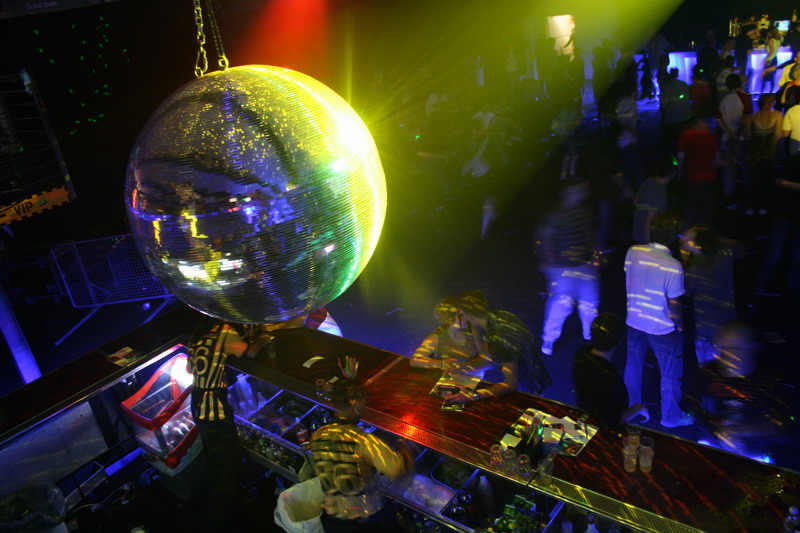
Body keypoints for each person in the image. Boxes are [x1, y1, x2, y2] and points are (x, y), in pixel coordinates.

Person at [187, 321, 271, 532]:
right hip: (213, 405)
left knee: (218, 460)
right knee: (225, 468)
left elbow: (189, 368)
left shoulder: (197, 334)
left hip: (197, 402)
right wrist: (263, 337)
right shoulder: (224, 331)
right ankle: (218, 523)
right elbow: (249, 353)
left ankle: (237, 503)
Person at [309, 377, 414, 532]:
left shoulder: (319, 434)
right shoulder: (364, 441)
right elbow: (397, 470)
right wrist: (404, 448)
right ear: (356, 403)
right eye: (364, 402)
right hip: (364, 521)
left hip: (332, 520)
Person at [624, 211, 693, 428]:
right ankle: (670, 417)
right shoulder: (673, 265)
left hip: (634, 320)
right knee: (670, 373)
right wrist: (679, 324)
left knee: (633, 366)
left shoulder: (633, 251)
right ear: (674, 236)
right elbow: (675, 302)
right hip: (662, 327)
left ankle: (634, 407)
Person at [684, 322, 788, 457]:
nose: (729, 354)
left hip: (754, 454)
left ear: (753, 347)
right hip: (713, 446)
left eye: (736, 348)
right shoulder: (707, 374)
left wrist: (739, 431)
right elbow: (692, 406)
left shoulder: (767, 381)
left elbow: (780, 425)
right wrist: (716, 434)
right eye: (724, 347)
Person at [444, 289, 551, 402]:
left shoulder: (500, 339)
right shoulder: (498, 316)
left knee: (529, 403)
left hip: (526, 382)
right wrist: (463, 368)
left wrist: (474, 395)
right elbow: (487, 360)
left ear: (467, 315)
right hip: (530, 368)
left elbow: (511, 384)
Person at [535, 181, 599, 355]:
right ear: (566, 192)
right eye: (577, 190)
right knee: (560, 305)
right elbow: (543, 237)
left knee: (589, 303)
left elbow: (590, 235)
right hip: (561, 268)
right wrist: (546, 261)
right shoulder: (555, 215)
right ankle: (549, 339)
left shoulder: (584, 211)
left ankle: (590, 337)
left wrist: (594, 257)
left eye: (582, 190)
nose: (581, 193)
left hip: (584, 265)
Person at [680, 226, 745, 366]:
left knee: (708, 368)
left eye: (688, 238)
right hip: (728, 321)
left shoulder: (694, 271)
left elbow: (684, 293)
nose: (683, 239)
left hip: (707, 327)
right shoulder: (726, 255)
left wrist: (684, 264)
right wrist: (713, 239)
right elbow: (740, 245)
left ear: (698, 246)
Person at [572, 313, 649, 429]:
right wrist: (639, 408)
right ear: (619, 342)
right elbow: (611, 421)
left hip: (584, 414)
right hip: (597, 429)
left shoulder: (581, 354)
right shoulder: (607, 378)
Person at [410, 297, 480, 371]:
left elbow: (484, 358)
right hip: (444, 376)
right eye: (465, 315)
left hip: (472, 376)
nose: (469, 319)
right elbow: (415, 360)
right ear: (452, 316)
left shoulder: (473, 331)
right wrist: (444, 364)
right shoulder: (437, 336)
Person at [678, 116, 721, 228]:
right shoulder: (711, 137)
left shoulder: (686, 135)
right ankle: (703, 232)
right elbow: (717, 160)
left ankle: (685, 232)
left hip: (691, 176)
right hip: (709, 177)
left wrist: (680, 172)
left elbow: (681, 157)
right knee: (707, 208)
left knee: (690, 206)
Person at [744, 93, 781, 216]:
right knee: (753, 181)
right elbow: (748, 137)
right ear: (762, 103)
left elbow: (777, 136)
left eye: (772, 102)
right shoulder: (753, 117)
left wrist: (775, 153)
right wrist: (747, 125)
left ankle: (762, 205)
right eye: (768, 102)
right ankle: (751, 205)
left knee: (766, 182)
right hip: (754, 153)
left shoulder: (777, 115)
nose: (771, 105)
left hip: (768, 152)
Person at [631, 156, 676, 244]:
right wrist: (650, 246)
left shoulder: (648, 181)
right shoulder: (660, 196)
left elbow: (635, 201)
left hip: (635, 234)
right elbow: (649, 224)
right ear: (673, 174)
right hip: (645, 240)